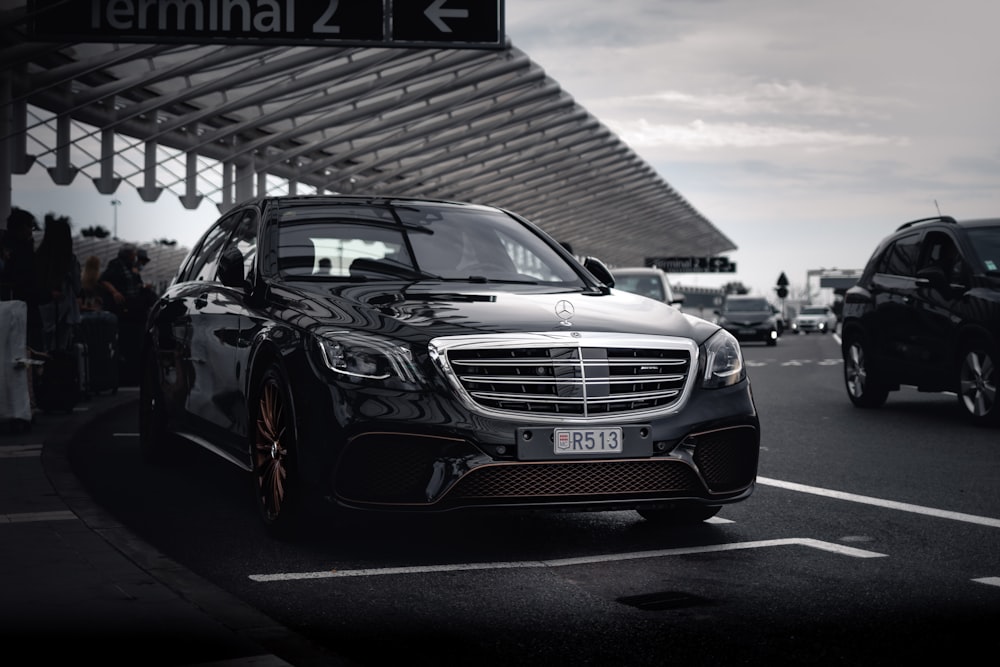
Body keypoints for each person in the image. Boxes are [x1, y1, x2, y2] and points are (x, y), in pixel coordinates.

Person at [33, 213, 81, 352]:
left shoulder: (39, 257)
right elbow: (77, 288)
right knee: (60, 349)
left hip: (42, 311)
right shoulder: (69, 261)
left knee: (41, 348)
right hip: (65, 312)